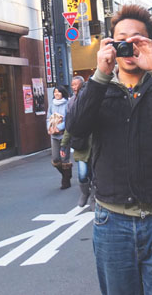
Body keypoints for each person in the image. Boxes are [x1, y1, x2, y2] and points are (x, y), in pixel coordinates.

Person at [69, 4, 152, 295]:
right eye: (121, 40)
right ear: (110, 45)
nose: (128, 48)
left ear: (150, 43)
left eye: (137, 40)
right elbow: (75, 128)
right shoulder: (99, 87)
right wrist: (99, 74)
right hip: (111, 221)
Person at [60, 76, 93, 207]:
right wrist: (63, 145)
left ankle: (94, 198)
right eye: (72, 85)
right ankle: (85, 192)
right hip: (81, 145)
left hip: (97, 146)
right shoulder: (73, 104)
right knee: (82, 174)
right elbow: (69, 127)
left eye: (76, 85)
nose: (74, 87)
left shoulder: (96, 102)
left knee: (96, 175)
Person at [47, 85, 71, 189]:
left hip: (65, 135)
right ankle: (67, 174)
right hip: (54, 135)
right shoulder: (52, 104)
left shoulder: (67, 103)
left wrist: (59, 127)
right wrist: (49, 128)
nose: (56, 94)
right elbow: (48, 117)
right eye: (55, 92)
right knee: (55, 159)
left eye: (58, 92)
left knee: (64, 158)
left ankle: (66, 181)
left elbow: (69, 119)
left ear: (63, 93)